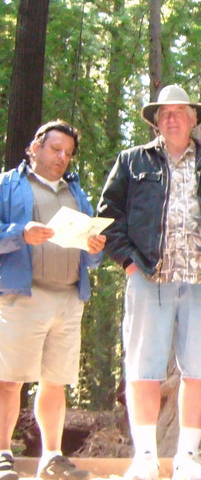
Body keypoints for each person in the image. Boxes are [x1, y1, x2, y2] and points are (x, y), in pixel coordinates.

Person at [97, 85, 201, 480]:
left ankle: (188, 457)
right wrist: (129, 263)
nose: (172, 119)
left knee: (200, 368)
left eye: (180, 112)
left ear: (194, 118)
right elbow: (109, 215)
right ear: (155, 120)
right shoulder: (132, 163)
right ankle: (146, 457)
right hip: (150, 279)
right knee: (143, 368)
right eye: (164, 113)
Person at [0, 121, 105, 480]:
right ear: (35, 147)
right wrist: (19, 233)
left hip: (68, 297)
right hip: (22, 295)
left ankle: (52, 457)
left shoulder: (75, 191)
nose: (61, 158)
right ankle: (2, 454)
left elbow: (91, 248)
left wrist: (93, 250)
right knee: (9, 378)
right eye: (55, 149)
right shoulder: (8, 185)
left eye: (67, 153)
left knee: (55, 381)